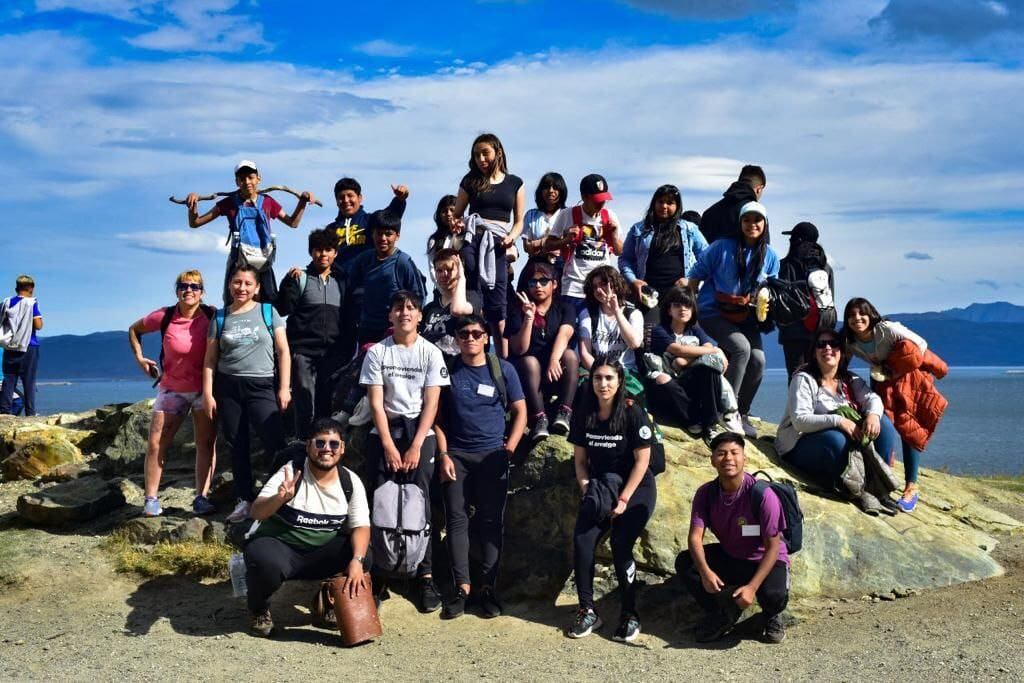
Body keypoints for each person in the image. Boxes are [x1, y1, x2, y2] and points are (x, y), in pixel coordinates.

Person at [359, 291, 450, 613]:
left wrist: (415, 445)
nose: (405, 313)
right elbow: (375, 402)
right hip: (384, 431)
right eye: (399, 308)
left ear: (420, 316)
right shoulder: (377, 353)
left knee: (421, 501)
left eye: (411, 308)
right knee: (380, 501)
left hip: (419, 434)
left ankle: (423, 575)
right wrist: (387, 445)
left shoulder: (431, 353)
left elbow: (432, 402)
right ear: (390, 316)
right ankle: (380, 574)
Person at [435, 315, 527, 619]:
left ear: (486, 337)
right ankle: (462, 588)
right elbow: (437, 419)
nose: (470, 338)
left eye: (476, 333)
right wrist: (444, 454)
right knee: (456, 521)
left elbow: (520, 410)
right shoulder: (449, 370)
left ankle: (487, 588)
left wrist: (509, 448)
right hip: (457, 456)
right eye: (464, 334)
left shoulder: (502, 369)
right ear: (457, 338)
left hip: (492, 455)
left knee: (490, 521)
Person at [243, 418, 371, 637]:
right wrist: (279, 499)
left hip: (319, 554)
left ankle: (328, 599)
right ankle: (259, 608)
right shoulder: (291, 472)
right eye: (320, 443)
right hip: (282, 549)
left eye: (333, 444)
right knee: (262, 560)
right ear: (308, 446)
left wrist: (357, 561)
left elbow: (361, 526)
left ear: (342, 449)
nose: (326, 449)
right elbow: (257, 512)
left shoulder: (350, 481)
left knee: (363, 555)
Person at [567, 358, 657, 643]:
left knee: (620, 544)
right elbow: (580, 460)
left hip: (636, 487)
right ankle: (587, 610)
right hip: (600, 487)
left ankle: (630, 614)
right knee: (582, 541)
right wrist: (586, 489)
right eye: (597, 378)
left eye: (609, 378)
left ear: (619, 381)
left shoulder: (633, 413)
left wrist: (624, 500)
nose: (603, 384)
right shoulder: (584, 414)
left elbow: (643, 462)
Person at [676, 433, 789, 644]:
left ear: (744, 458)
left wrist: (752, 588)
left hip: (766, 559)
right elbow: (694, 538)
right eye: (721, 453)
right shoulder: (706, 494)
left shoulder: (762, 495)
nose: (728, 458)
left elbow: (773, 547)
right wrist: (705, 572)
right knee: (686, 563)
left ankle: (771, 615)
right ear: (712, 460)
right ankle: (721, 613)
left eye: (734, 453)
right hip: (733, 556)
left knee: (774, 596)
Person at [840, 298, 948, 513]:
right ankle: (883, 474)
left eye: (861, 314)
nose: (857, 319)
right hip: (881, 380)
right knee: (883, 425)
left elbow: (921, 345)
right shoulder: (849, 340)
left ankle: (911, 486)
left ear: (871, 314)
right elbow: (843, 361)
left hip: (908, 378)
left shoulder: (887, 329)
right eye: (851, 316)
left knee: (910, 428)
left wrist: (894, 366)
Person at [776, 329, 901, 513]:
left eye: (833, 344)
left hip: (837, 444)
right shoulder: (804, 379)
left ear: (842, 351)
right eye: (821, 344)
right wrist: (838, 420)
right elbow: (800, 421)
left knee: (885, 425)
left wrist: (873, 415)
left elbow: (873, 399)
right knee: (837, 440)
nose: (828, 348)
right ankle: (857, 491)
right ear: (814, 351)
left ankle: (878, 488)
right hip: (799, 445)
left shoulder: (849, 379)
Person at [202, 265, 291, 523]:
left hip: (262, 385)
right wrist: (208, 394)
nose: (242, 288)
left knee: (275, 442)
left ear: (257, 287)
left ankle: (282, 496)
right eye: (237, 282)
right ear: (229, 285)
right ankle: (244, 499)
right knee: (237, 445)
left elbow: (283, 352)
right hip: (228, 387)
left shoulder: (268, 312)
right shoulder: (220, 318)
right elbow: (209, 360)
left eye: (247, 284)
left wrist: (284, 388)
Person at [127, 270, 218, 517]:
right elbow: (134, 330)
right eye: (183, 286)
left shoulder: (213, 316)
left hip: (204, 389)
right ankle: (151, 499)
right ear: (176, 290)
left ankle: (201, 497)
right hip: (171, 389)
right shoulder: (165, 315)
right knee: (157, 444)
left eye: (194, 286)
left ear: (202, 291)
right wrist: (140, 358)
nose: (189, 290)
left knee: (206, 443)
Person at [686, 201, 780, 438]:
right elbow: (695, 276)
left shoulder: (770, 256)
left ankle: (743, 412)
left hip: (747, 318)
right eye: (747, 220)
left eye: (757, 220)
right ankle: (725, 411)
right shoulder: (721, 247)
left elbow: (773, 289)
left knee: (758, 360)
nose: (752, 225)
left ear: (764, 224)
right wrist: (690, 314)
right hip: (712, 312)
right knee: (741, 349)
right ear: (739, 223)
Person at [185, 160, 315, 306]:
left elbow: (293, 222)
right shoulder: (229, 203)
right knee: (232, 300)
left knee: (270, 301)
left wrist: (303, 202)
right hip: (239, 260)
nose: (247, 182)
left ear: (258, 178)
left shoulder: (268, 202)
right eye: (242, 178)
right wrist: (193, 205)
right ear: (237, 182)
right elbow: (195, 223)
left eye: (251, 177)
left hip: (264, 259)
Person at [454, 133, 525, 356]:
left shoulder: (515, 183)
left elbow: (519, 220)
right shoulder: (469, 181)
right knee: (474, 291)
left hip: (499, 243)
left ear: (498, 153)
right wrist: (458, 225)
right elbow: (457, 214)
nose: (481, 159)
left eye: (485, 153)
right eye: (476, 155)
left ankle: (502, 359)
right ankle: (473, 350)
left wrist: (512, 237)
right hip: (474, 238)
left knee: (498, 299)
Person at [275, 228, 349, 439]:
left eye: (328, 249)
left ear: (335, 253)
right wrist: (288, 283)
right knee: (305, 400)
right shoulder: (300, 278)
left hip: (333, 353)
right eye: (318, 250)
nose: (323, 254)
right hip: (303, 351)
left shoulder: (342, 281)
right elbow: (283, 309)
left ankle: (324, 445)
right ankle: (303, 445)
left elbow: (348, 315)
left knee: (327, 401)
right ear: (311, 252)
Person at [505, 258, 579, 440]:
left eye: (543, 281)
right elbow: (519, 349)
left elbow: (565, 334)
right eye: (533, 282)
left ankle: (564, 412)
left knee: (569, 355)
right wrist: (528, 317)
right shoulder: (517, 309)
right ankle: (539, 419)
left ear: (554, 284)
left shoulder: (565, 307)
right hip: (528, 377)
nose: (538, 286)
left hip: (554, 371)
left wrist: (554, 360)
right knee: (530, 362)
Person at [646, 287, 733, 439]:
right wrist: (715, 351)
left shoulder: (694, 329)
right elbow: (678, 350)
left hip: (690, 380)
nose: (683, 309)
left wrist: (685, 360)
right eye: (677, 305)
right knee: (665, 382)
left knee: (708, 369)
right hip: (670, 383)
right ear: (669, 310)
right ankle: (694, 420)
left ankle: (710, 425)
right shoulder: (660, 331)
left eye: (688, 305)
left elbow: (700, 349)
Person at [619, 184, 708, 316]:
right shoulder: (638, 229)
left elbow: (707, 257)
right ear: (654, 203)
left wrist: (691, 280)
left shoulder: (689, 229)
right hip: (648, 296)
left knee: (680, 335)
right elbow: (625, 259)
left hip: (680, 296)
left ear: (677, 206)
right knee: (651, 334)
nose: (664, 206)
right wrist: (633, 281)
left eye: (670, 202)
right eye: (660, 201)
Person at [542, 174, 623, 314]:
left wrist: (614, 233)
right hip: (574, 288)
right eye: (597, 200)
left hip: (602, 289)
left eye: (604, 199)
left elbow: (619, 251)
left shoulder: (610, 216)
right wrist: (567, 240)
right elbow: (548, 245)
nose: (601, 204)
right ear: (584, 197)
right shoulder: (567, 214)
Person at [346, 209, 428, 345]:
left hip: (394, 331)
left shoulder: (403, 262)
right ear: (372, 234)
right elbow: (348, 285)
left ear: (397, 236)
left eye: (388, 234)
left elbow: (419, 296)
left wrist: (410, 326)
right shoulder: (363, 260)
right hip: (367, 332)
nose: (383, 238)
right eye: (379, 233)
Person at [777, 222, 836, 377]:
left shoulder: (784, 265)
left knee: (797, 378)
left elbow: (780, 300)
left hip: (793, 333)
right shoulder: (825, 267)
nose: (790, 241)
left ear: (798, 240)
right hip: (820, 332)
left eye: (792, 238)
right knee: (820, 377)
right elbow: (831, 299)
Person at [577, 266, 644, 397]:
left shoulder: (633, 313)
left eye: (603, 284)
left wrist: (617, 312)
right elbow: (585, 353)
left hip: (625, 371)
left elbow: (634, 343)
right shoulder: (588, 314)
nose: (598, 290)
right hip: (595, 370)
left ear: (615, 285)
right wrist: (602, 374)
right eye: (594, 286)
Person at [327, 177, 409, 271]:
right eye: (341, 197)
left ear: (360, 198)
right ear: (336, 201)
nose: (346, 200)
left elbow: (391, 215)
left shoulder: (371, 220)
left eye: (350, 195)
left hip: (367, 280)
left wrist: (400, 199)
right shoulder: (330, 230)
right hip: (338, 283)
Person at [421, 249, 480, 361]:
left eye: (449, 269)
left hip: (457, 368)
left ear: (460, 270)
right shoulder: (429, 308)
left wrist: (461, 278)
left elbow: (457, 309)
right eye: (439, 270)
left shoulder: (472, 298)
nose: (444, 274)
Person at [0, 275, 43, 417]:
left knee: (9, 379)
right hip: (29, 347)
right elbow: (38, 325)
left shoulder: (6, 302)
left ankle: (5, 411)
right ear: (31, 288)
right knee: (28, 381)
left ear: (16, 288)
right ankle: (30, 413)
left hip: (9, 347)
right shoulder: (31, 303)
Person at [699, 164, 767, 245]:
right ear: (759, 189)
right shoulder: (757, 214)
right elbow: (763, 251)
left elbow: (700, 251)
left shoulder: (709, 213)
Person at [426, 195, 474, 294]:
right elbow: (432, 268)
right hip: (442, 291)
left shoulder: (468, 235)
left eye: (452, 210)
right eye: (444, 211)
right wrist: (444, 290)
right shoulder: (434, 240)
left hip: (468, 289)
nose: (448, 214)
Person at [522, 172, 568, 269]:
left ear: (561, 191)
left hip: (562, 265)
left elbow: (568, 244)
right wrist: (556, 241)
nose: (551, 191)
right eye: (546, 187)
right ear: (541, 191)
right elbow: (527, 247)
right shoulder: (531, 215)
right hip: (536, 264)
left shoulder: (567, 214)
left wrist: (539, 243)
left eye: (555, 188)